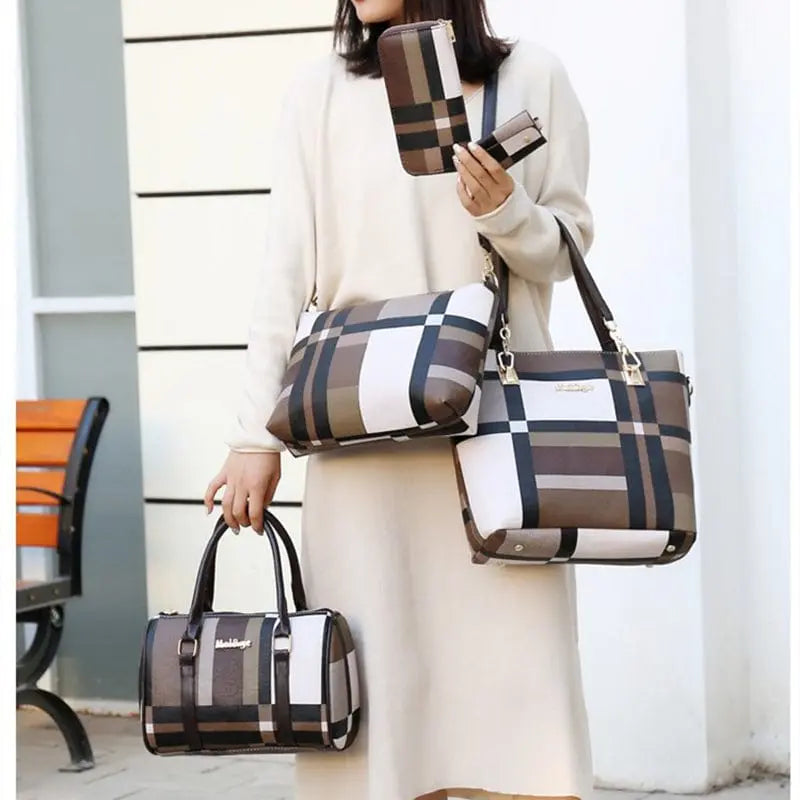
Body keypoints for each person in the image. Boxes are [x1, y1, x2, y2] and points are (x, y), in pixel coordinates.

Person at [204, 1, 594, 798]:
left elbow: (566, 253)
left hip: (490, 448)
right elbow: (283, 272)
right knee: (378, 724)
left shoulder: (530, 76)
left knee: (513, 717)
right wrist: (255, 437)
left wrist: (505, 212)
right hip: (361, 447)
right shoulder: (317, 93)